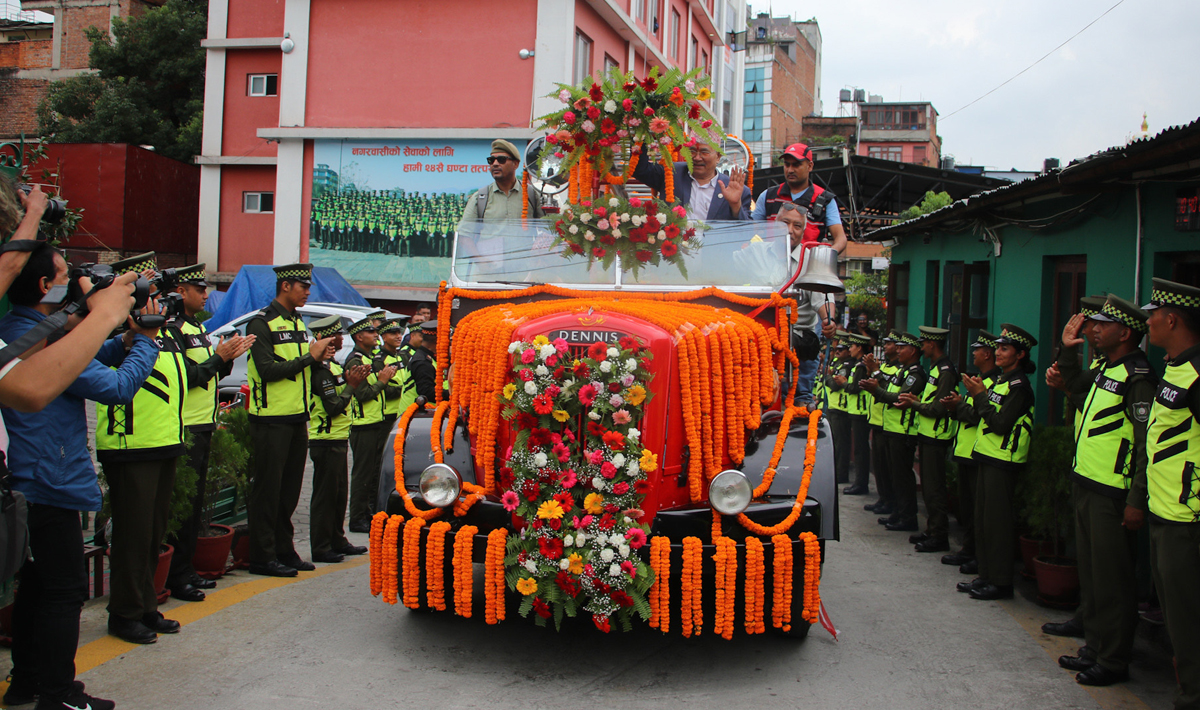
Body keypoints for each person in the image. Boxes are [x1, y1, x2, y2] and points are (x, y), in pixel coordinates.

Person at [0, 246, 156, 710]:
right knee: (65, 591)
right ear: (48, 286)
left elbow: (81, 361)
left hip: (34, 475)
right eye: (68, 274)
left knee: (37, 586)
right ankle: (58, 694)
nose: (78, 281)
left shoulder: (21, 329)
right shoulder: (35, 336)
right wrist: (146, 341)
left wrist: (119, 339)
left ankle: (27, 682)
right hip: (50, 478)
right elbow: (114, 387)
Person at [1046, 295, 1155, 687]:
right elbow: (1075, 386)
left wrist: (1136, 500)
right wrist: (1067, 350)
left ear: (1124, 332)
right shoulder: (1109, 368)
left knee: (1113, 581)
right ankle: (1094, 646)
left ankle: (1113, 658)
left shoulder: (1138, 377)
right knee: (1092, 574)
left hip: (1113, 493)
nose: (1092, 329)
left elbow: (1146, 445)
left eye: (1101, 325)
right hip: (1088, 481)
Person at [93, 253, 189, 645]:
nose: (156, 290)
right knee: (132, 536)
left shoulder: (157, 327)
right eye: (147, 281)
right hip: (130, 441)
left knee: (152, 533)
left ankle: (145, 604)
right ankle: (124, 613)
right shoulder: (108, 324)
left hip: (163, 441)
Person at [164, 264, 254, 603]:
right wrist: (219, 358)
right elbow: (187, 376)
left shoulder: (197, 329)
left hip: (202, 425)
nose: (206, 294)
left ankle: (186, 569)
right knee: (183, 505)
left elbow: (211, 373)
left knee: (195, 501)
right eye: (199, 289)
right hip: (184, 427)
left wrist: (227, 357)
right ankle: (175, 575)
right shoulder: (173, 330)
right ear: (181, 292)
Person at [245, 263, 336, 577]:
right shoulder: (261, 324)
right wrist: (310, 357)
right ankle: (261, 556)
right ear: (285, 286)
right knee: (268, 492)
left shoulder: (298, 323)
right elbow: (268, 371)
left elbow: (304, 370)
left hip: (297, 417)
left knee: (289, 492)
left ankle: (284, 550)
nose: (308, 292)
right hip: (270, 420)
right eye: (303, 286)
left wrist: (320, 361)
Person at [1140, 278, 1200, 709]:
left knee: (1187, 617)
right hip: (1162, 511)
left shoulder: (1197, 374)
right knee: (1174, 616)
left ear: (1172, 318)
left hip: (1186, 518)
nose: (1148, 322)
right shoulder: (1173, 367)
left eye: (1153, 315)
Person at [948, 323, 1037, 601]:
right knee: (984, 521)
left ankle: (1000, 582)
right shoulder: (1000, 381)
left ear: (1020, 354)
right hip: (986, 456)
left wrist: (979, 397)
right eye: (997, 347)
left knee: (997, 524)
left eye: (1005, 348)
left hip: (1003, 460)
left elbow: (999, 423)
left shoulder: (1019, 386)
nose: (998, 352)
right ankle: (985, 576)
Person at [307, 316, 370, 564]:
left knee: (338, 495)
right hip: (325, 440)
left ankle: (336, 539)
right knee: (325, 497)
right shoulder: (321, 371)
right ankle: (321, 546)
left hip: (338, 438)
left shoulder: (332, 366)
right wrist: (352, 385)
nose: (340, 341)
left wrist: (350, 380)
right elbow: (333, 406)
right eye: (335, 339)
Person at [940, 331, 999, 574]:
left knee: (977, 510)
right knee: (966, 507)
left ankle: (975, 553)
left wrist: (959, 406)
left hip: (978, 453)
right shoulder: (978, 379)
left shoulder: (992, 383)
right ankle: (968, 549)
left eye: (977, 350)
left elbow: (977, 415)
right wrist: (956, 406)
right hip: (966, 451)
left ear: (987, 354)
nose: (972, 353)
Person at [898, 326, 958, 553]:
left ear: (933, 345)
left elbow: (937, 408)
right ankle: (932, 530)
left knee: (934, 489)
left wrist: (914, 403)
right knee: (929, 489)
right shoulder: (936, 368)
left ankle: (939, 535)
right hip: (927, 433)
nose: (921, 347)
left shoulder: (945, 371)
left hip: (936, 436)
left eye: (924, 344)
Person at [862, 331, 927, 532]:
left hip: (903, 431)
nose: (898, 351)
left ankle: (908, 517)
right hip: (891, 428)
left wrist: (876, 390)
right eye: (896, 347)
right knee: (893, 474)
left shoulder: (915, 374)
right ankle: (898, 512)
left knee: (903, 477)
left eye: (901, 348)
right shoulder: (903, 371)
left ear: (913, 351)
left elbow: (899, 399)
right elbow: (889, 392)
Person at [777, 203, 835, 403]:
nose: (790, 230)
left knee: (800, 406)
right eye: (785, 223)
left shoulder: (811, 260)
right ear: (774, 223)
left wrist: (829, 320)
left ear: (803, 231)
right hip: (761, 340)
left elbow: (824, 301)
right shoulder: (755, 254)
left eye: (797, 226)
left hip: (797, 343)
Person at [345, 317, 398, 533]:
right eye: (371, 332)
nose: (376, 334)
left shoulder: (368, 358)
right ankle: (356, 518)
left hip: (374, 423)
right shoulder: (355, 362)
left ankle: (367, 513)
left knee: (373, 472)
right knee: (362, 474)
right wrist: (382, 381)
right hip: (362, 425)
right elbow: (364, 394)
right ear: (359, 337)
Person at [751, 143, 848, 254]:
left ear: (810, 166)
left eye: (796, 165)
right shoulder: (768, 196)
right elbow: (748, 231)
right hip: (772, 265)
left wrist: (823, 259)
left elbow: (841, 239)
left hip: (807, 267)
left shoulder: (825, 200)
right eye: (787, 165)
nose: (790, 170)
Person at [631, 141, 751, 221]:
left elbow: (744, 233)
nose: (697, 158)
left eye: (704, 152)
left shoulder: (736, 190)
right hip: (673, 257)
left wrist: (735, 205)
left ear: (718, 157)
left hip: (714, 257)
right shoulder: (671, 173)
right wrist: (642, 133)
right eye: (692, 152)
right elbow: (639, 170)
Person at [458, 139, 544, 226]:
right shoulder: (480, 198)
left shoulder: (532, 195)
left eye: (501, 159)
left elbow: (547, 230)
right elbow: (466, 235)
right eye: (491, 160)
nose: (495, 164)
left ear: (515, 164)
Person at [862, 330, 901, 515]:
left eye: (890, 343)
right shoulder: (885, 366)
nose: (885, 346)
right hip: (878, 421)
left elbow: (886, 390)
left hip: (890, 425)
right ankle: (884, 498)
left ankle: (892, 503)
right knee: (879, 466)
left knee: (890, 469)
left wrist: (875, 372)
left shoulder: (900, 369)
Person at [837, 332, 873, 495]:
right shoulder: (858, 365)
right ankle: (859, 482)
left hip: (860, 412)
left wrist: (844, 384)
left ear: (859, 348)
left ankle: (861, 483)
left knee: (860, 450)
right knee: (857, 448)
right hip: (854, 411)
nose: (849, 349)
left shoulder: (861, 366)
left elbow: (856, 388)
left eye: (852, 346)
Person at [823, 336, 854, 485]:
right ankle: (835, 471)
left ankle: (841, 474)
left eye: (842, 349)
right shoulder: (837, 363)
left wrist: (828, 376)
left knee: (841, 444)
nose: (837, 351)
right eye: (836, 349)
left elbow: (835, 385)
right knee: (834, 443)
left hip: (841, 410)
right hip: (832, 407)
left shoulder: (846, 366)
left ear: (848, 352)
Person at [379, 318, 416, 425]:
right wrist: (405, 389)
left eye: (399, 333)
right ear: (384, 337)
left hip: (400, 410)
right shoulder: (380, 359)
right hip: (387, 413)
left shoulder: (398, 356)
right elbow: (383, 390)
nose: (398, 336)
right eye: (393, 334)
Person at [407, 319, 443, 403]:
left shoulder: (424, 355)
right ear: (436, 341)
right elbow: (427, 392)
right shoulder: (422, 362)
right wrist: (452, 394)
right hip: (414, 412)